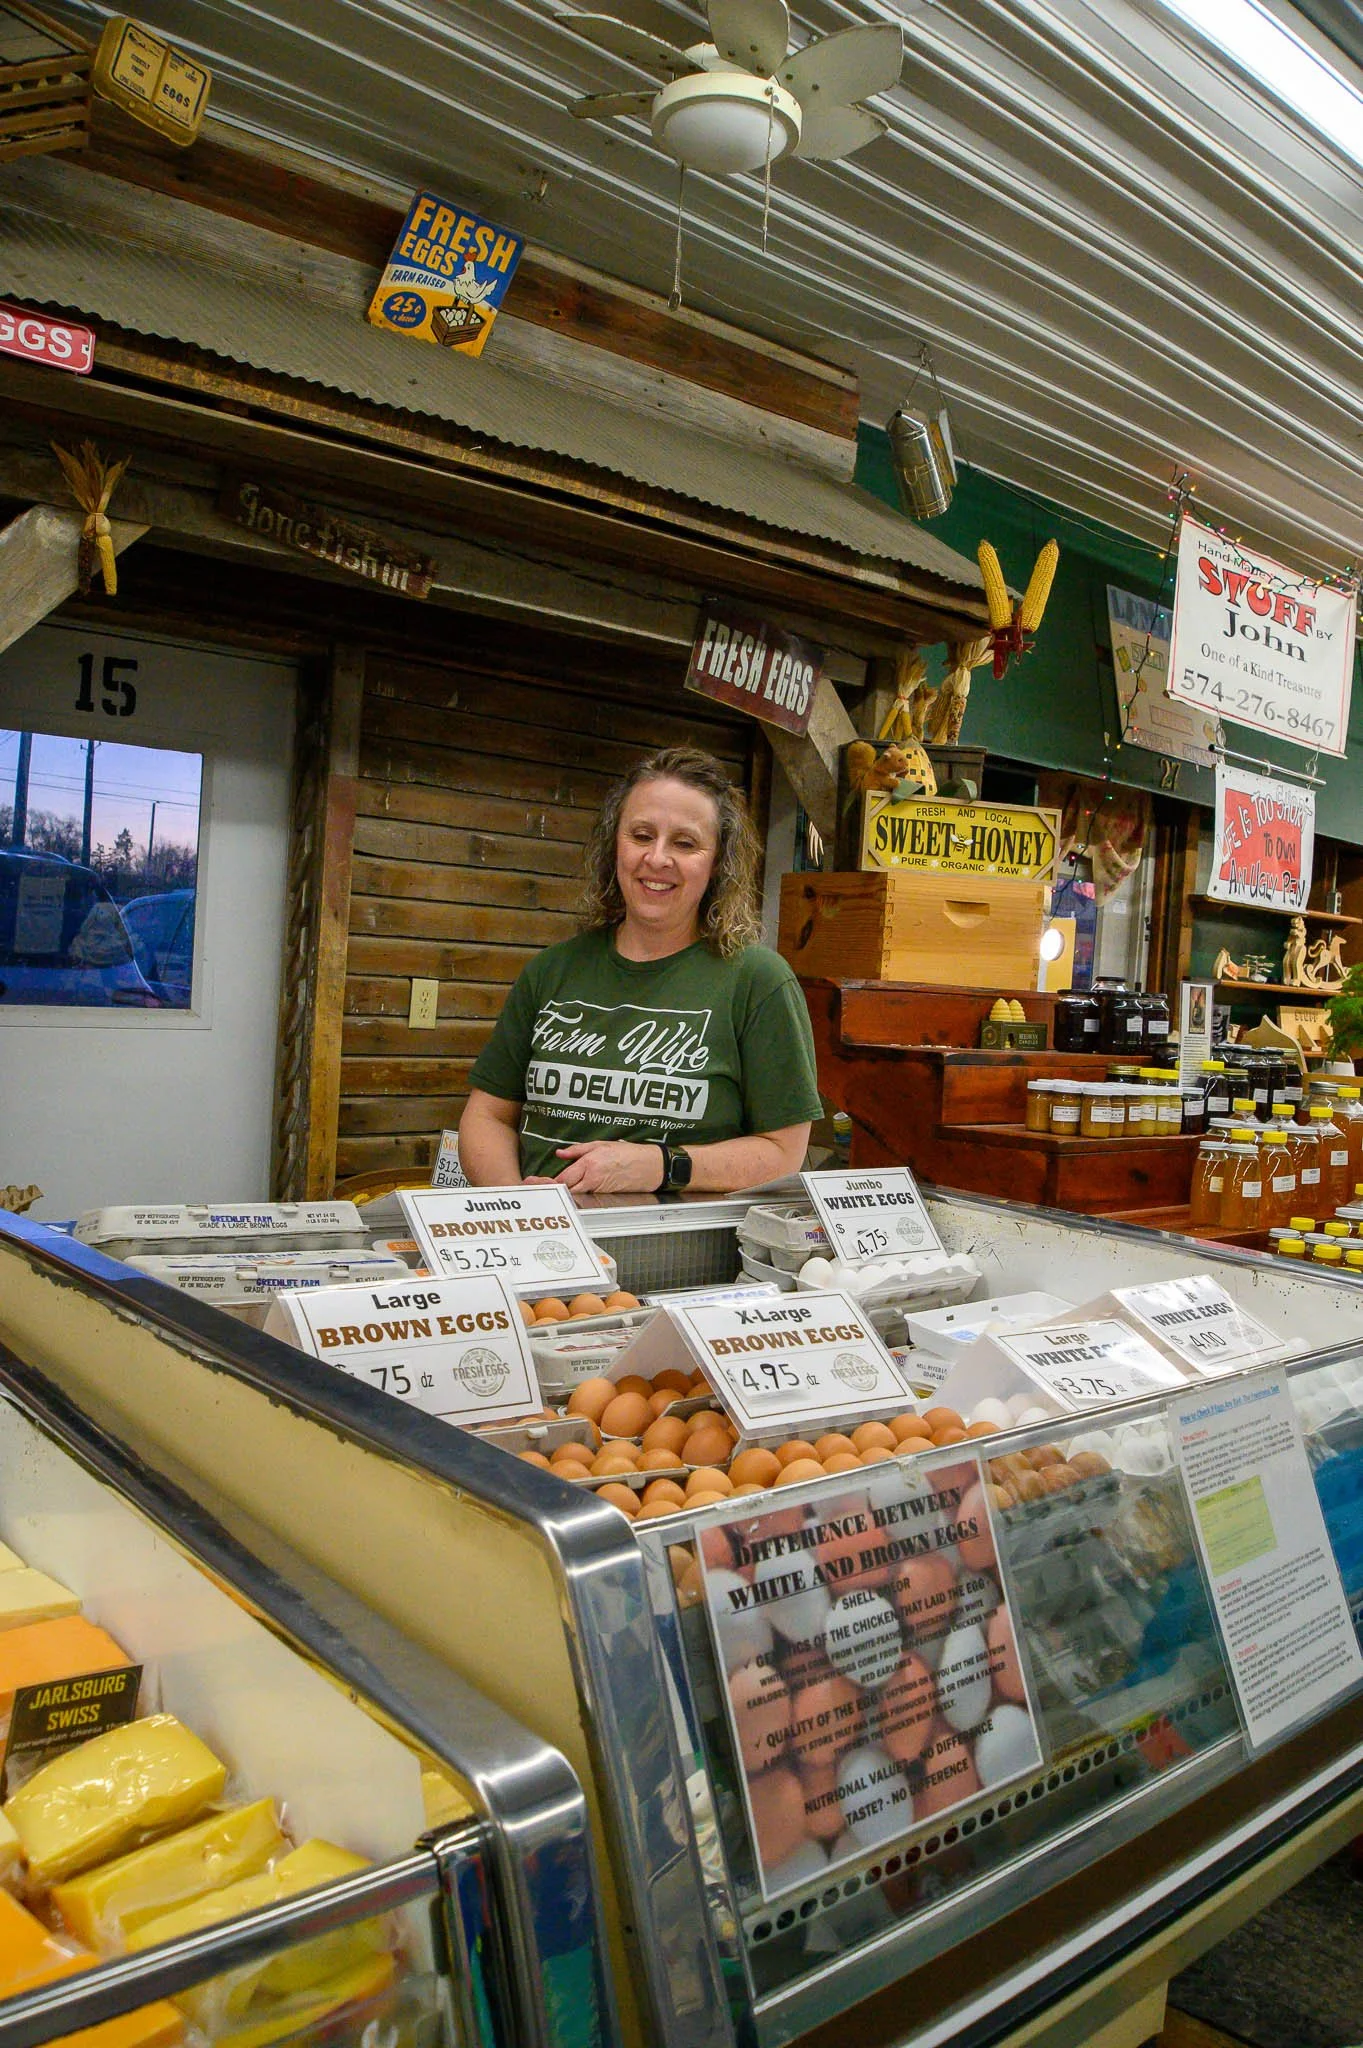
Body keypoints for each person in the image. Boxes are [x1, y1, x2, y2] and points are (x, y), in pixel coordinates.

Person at [458, 745, 822, 1195]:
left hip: (684, 1255)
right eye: (642, 835)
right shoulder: (551, 971)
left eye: (685, 843)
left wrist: (661, 1165)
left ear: (718, 862)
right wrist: (516, 1203)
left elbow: (784, 1152)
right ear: (615, 844)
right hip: (546, 1247)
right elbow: (487, 1115)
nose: (657, 859)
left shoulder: (758, 980)